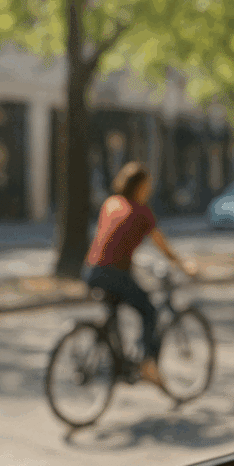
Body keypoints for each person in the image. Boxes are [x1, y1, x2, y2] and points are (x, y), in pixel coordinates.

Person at [82, 161, 196, 387]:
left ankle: (119, 360)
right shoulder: (142, 212)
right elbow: (163, 246)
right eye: (148, 185)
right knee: (149, 311)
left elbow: (111, 241)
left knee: (118, 307)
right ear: (140, 187)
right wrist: (184, 265)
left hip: (91, 271)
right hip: (114, 274)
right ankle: (147, 364)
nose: (150, 190)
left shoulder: (111, 203)